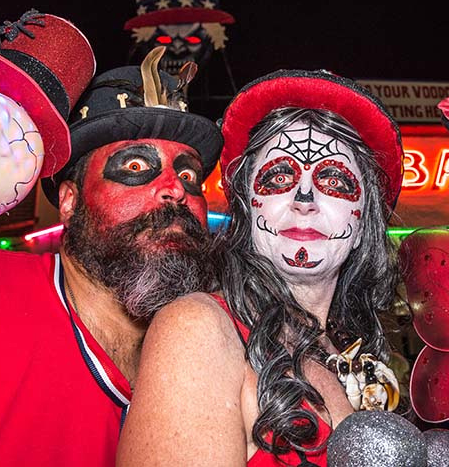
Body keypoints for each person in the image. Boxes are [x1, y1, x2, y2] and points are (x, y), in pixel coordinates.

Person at [0, 44, 223, 464]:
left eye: (189, 175)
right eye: (134, 168)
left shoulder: (219, 365)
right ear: (70, 201)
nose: (176, 189)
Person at [117, 69, 404, 466]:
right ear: (246, 209)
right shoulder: (198, 327)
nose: (305, 198)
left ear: (362, 224)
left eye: (335, 180)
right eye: (280, 176)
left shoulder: (353, 358)